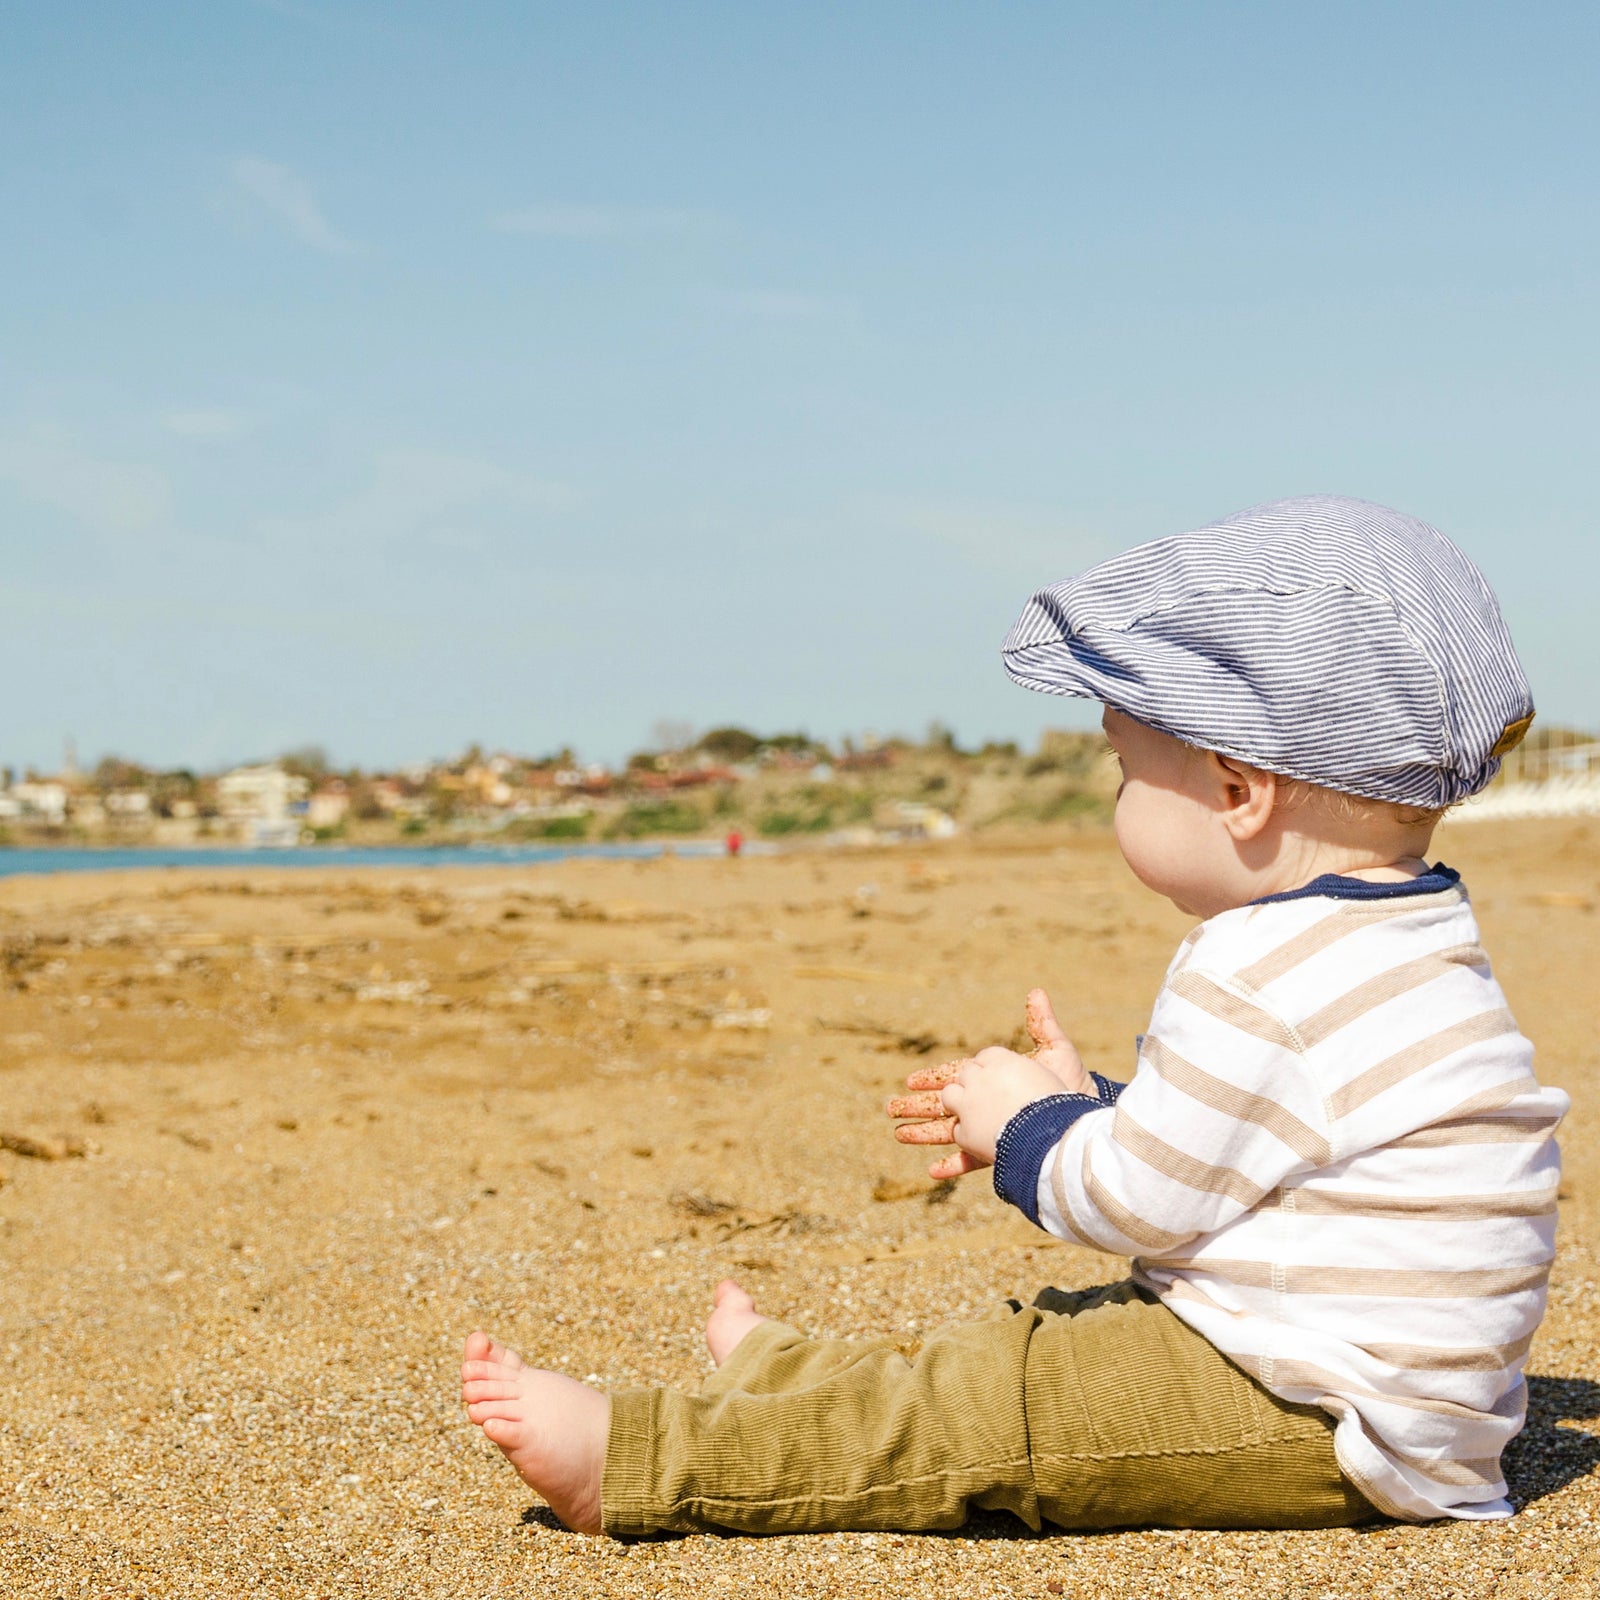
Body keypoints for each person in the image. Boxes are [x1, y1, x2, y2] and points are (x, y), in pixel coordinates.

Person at [460, 495, 1568, 1536]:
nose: (1116, 795)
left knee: (997, 1405)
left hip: (1318, 1414)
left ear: (1238, 790)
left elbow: (1139, 1205)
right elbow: (1263, 1150)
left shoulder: (1253, 964)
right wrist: (1095, 1104)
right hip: (1397, 1399)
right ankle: (790, 1378)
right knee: (1035, 1339)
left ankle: (643, 1460)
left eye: (1129, 769)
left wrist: (1027, 1132)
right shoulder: (1414, 931)